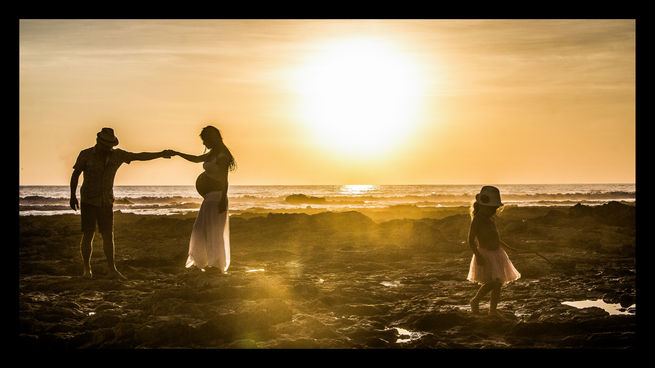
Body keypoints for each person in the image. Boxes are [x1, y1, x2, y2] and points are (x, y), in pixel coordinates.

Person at [70, 127, 174, 279]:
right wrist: (72, 196)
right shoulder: (85, 154)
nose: (107, 148)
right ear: (98, 141)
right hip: (88, 200)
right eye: (105, 145)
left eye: (110, 145)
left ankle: (112, 269)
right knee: (88, 234)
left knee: (108, 235)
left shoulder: (117, 155)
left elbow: (139, 156)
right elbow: (75, 174)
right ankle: (87, 269)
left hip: (106, 200)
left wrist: (160, 154)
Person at [171, 125, 236, 273]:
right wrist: (177, 153)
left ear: (211, 138)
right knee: (201, 230)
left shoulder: (222, 156)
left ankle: (215, 264)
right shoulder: (213, 154)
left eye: (205, 140)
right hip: (209, 198)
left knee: (214, 232)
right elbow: (195, 159)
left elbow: (225, 180)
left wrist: (222, 199)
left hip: (217, 197)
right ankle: (205, 262)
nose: (203, 144)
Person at [467, 185, 521, 316]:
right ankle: (475, 300)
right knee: (493, 282)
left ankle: (492, 310)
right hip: (485, 254)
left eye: (495, 208)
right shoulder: (478, 220)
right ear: (484, 206)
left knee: (498, 284)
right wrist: (478, 255)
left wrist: (508, 247)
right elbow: (470, 240)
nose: (494, 211)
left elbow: (496, 238)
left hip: (497, 253)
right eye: (492, 208)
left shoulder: (490, 219)